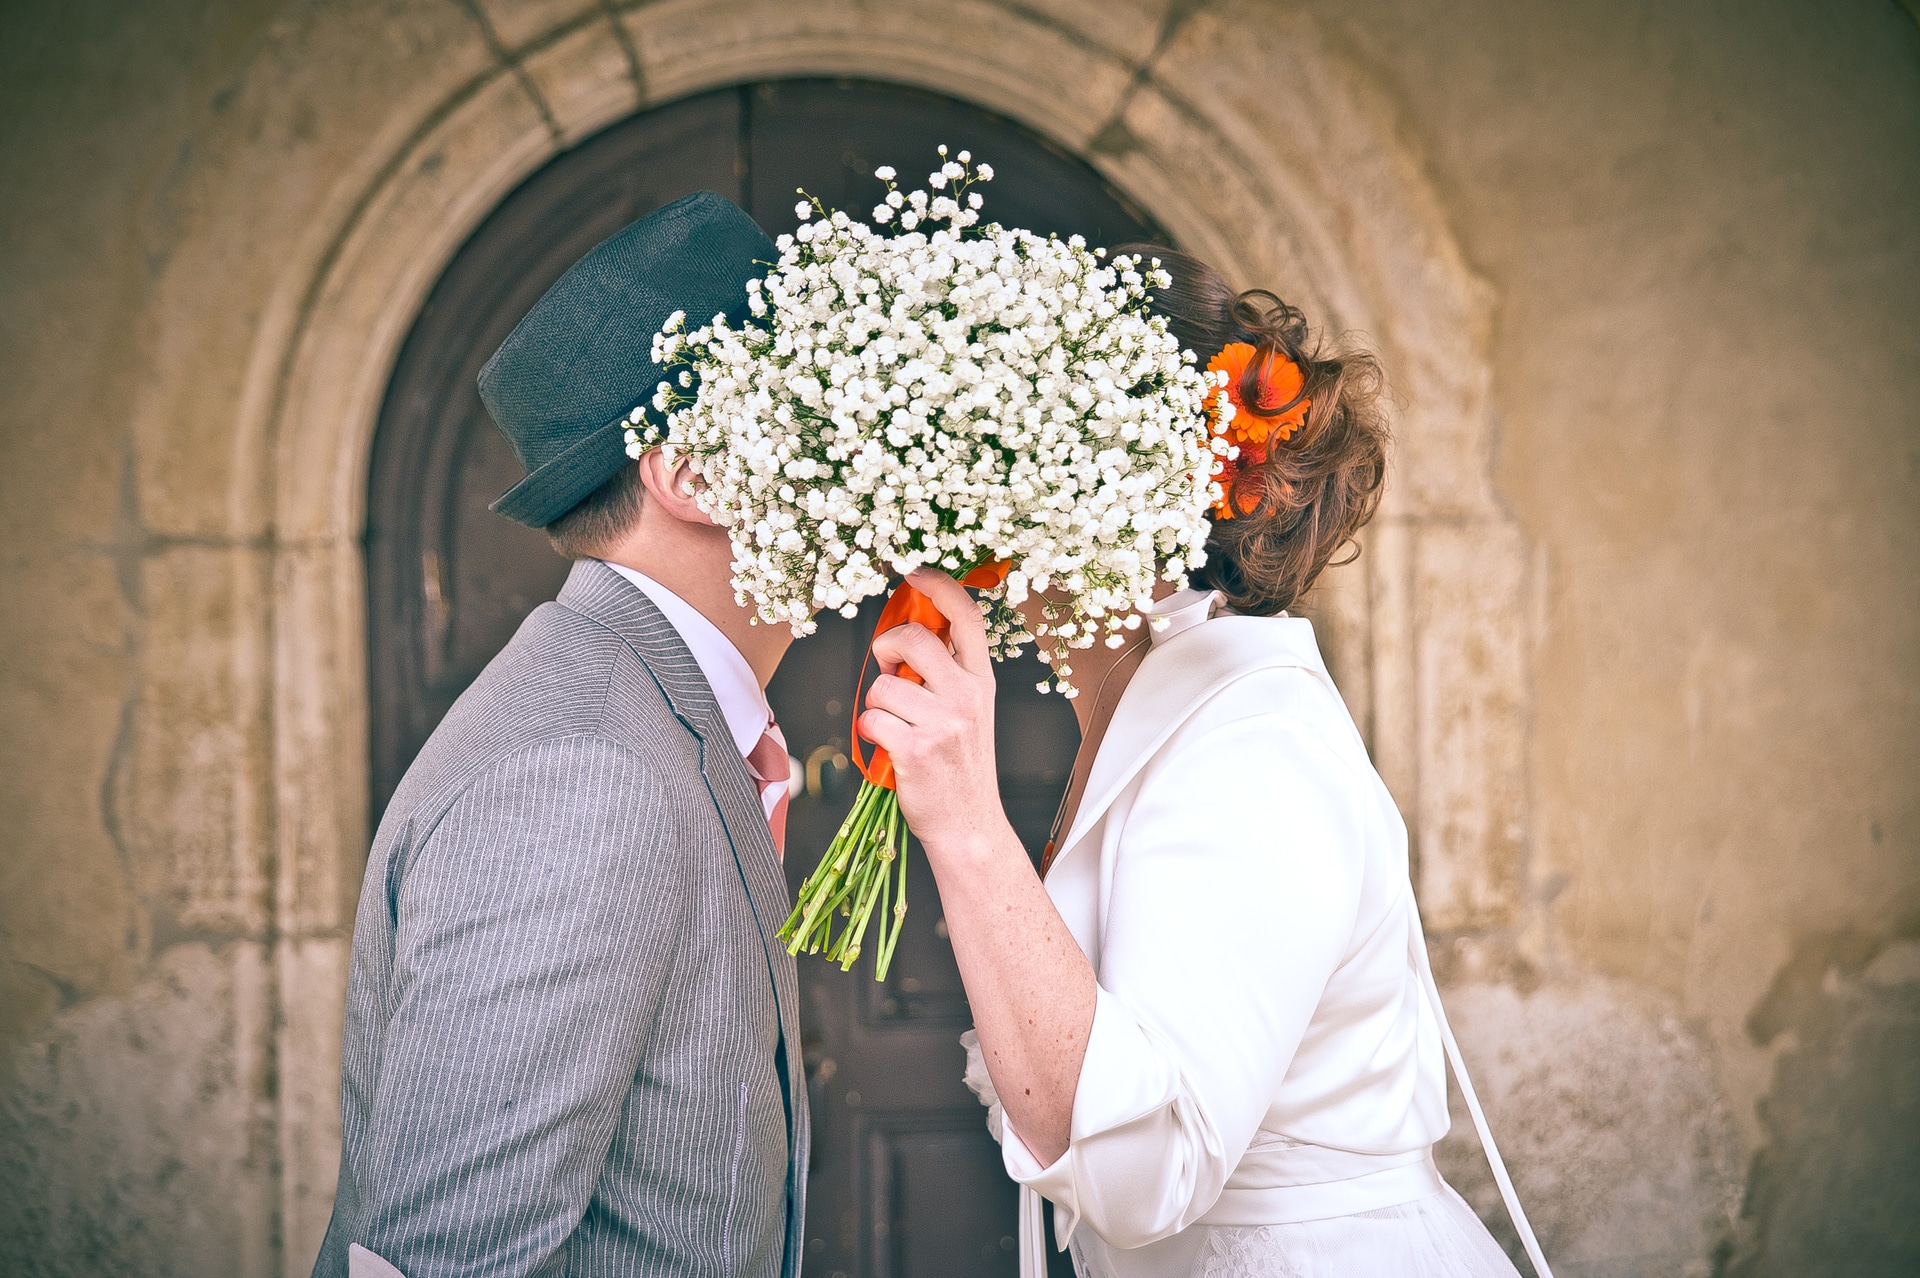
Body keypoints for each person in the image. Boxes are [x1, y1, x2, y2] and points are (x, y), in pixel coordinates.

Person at [857, 248, 1538, 1277]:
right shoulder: (1146, 711)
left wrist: (963, 824)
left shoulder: (1247, 744)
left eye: (986, 434)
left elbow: (1145, 1177)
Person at [313, 192, 808, 1278]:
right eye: (819, 406)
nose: (867, 448)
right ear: (698, 475)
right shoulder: (581, 777)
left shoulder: (650, 716)